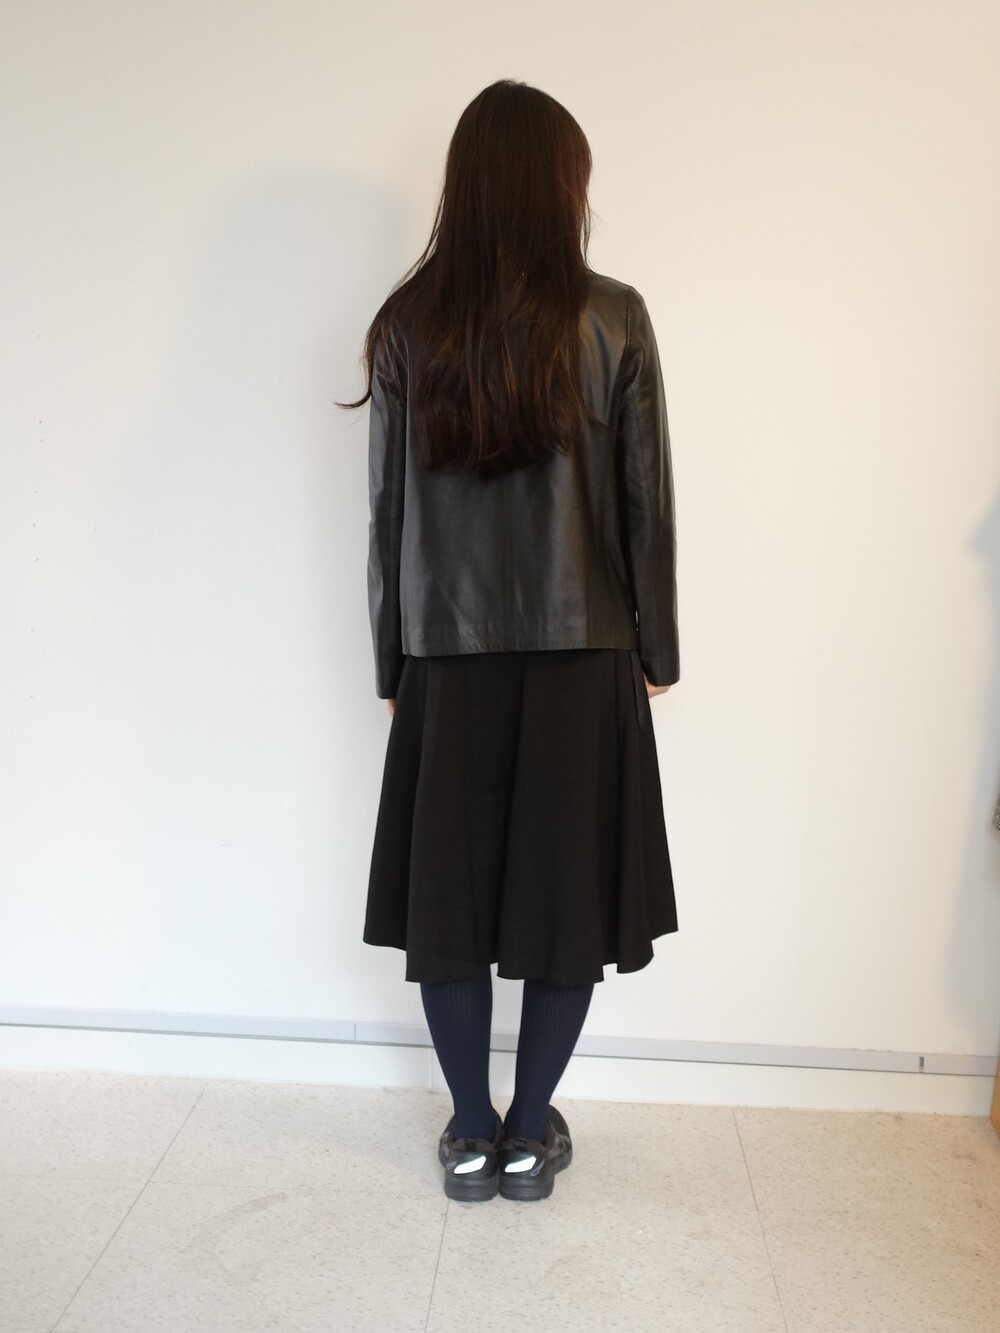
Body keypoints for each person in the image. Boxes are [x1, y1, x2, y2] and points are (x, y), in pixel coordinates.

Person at [336, 78, 679, 1203]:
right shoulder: (615, 315)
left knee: (450, 905)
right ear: (562, 186)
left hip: (446, 652)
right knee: (566, 902)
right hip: (587, 652)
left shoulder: (408, 322)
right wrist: (657, 650)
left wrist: (393, 659)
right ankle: (530, 1134)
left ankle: (471, 1133)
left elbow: (385, 514)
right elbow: (646, 502)